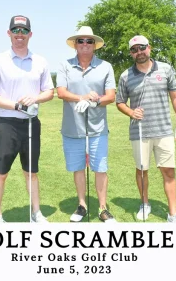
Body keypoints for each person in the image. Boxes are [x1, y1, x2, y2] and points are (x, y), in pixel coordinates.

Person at [0, 15, 54, 223]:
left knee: (31, 172)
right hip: (8, 124)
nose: (19, 35)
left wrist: (36, 98)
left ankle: (37, 213)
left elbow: (49, 92)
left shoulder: (40, 61)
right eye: (16, 31)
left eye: (24, 31)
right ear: (9, 33)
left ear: (30, 34)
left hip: (32, 124)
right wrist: (17, 105)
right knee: (1, 171)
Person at [116, 35, 176, 223]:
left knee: (169, 171)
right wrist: (131, 112)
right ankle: (144, 203)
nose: (139, 52)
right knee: (141, 170)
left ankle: (173, 213)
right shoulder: (125, 75)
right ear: (131, 53)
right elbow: (120, 102)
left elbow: (175, 96)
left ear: (150, 48)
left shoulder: (165, 69)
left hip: (163, 130)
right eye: (134, 49)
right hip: (139, 132)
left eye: (142, 48)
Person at [56, 26, 116, 223]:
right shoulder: (65, 65)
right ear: (75, 44)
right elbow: (61, 93)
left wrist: (94, 101)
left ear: (94, 45)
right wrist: (81, 97)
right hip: (72, 128)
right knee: (78, 167)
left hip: (97, 128)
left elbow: (111, 96)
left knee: (100, 167)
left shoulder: (105, 66)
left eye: (89, 41)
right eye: (81, 41)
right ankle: (82, 205)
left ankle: (102, 208)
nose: (84, 44)